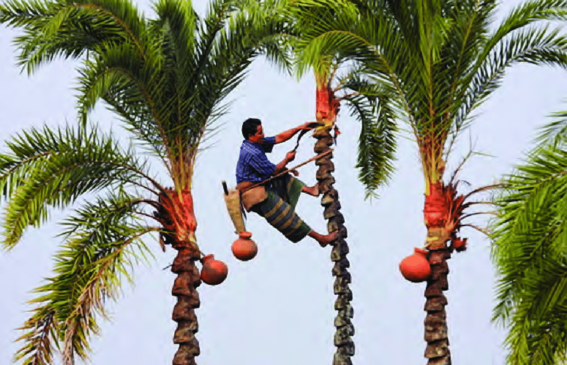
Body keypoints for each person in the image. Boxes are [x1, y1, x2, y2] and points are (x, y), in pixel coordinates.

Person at [235, 118, 339, 247]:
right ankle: (320, 238)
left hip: (261, 185)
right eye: (260, 133)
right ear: (251, 136)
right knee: (287, 216)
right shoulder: (251, 153)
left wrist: (300, 128)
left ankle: (311, 190)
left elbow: (279, 138)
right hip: (254, 195)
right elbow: (274, 171)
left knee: (283, 176)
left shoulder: (256, 142)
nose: (263, 135)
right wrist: (287, 160)